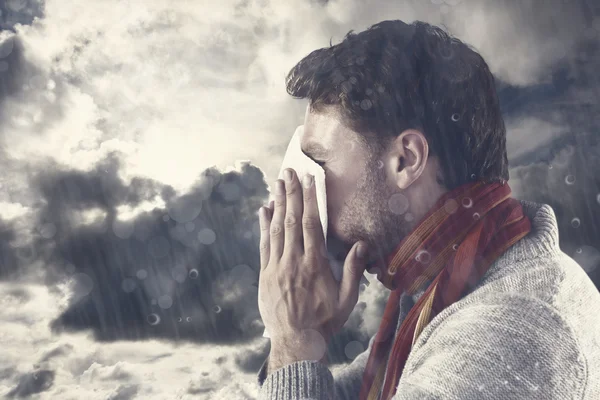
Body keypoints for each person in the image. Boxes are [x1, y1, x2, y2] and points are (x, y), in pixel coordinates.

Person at [254, 19, 600, 400]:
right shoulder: (437, 297)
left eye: (318, 167)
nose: (307, 205)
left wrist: (295, 341)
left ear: (406, 159)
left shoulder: (511, 332)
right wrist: (298, 342)